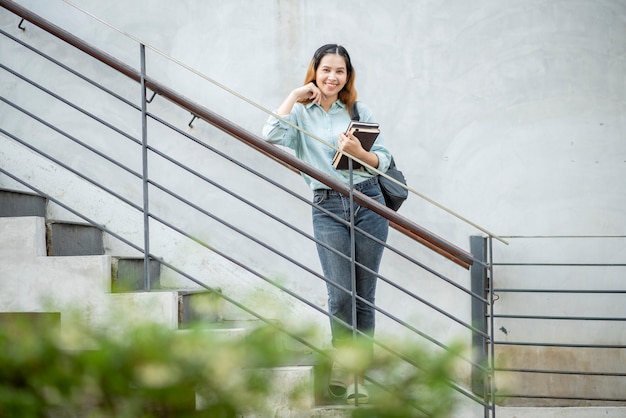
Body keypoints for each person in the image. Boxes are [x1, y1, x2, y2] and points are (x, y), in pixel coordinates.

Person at [262, 44, 391, 404]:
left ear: (348, 76)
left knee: (364, 296)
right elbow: (271, 135)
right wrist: (292, 95)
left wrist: (359, 154)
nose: (333, 77)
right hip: (327, 205)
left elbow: (383, 159)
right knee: (340, 296)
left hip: (369, 202)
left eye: (340, 71)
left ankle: (356, 374)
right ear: (315, 72)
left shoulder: (358, 110)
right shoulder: (301, 113)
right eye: (326, 70)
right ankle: (343, 358)